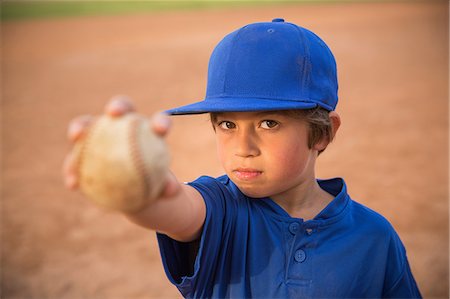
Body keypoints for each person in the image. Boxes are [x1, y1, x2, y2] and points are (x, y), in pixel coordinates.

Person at [64, 19, 422, 298]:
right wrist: (145, 191)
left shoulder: (374, 237)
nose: (242, 146)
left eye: (269, 123)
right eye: (227, 124)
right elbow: (175, 208)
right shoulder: (220, 210)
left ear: (324, 133)